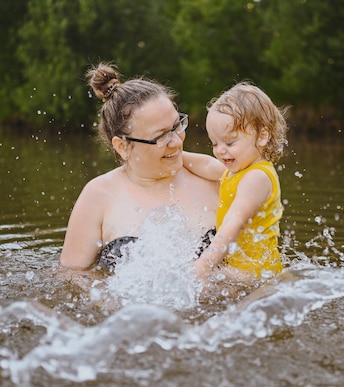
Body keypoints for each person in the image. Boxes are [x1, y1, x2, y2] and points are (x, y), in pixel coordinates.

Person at [59, 62, 219, 274]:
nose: (177, 142)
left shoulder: (212, 177)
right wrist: (104, 301)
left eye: (177, 126)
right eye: (161, 136)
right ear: (123, 146)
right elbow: (71, 276)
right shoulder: (98, 196)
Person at [184, 81, 288, 280]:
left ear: (262, 136)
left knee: (194, 290)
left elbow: (234, 222)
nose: (220, 150)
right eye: (214, 143)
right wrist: (176, 156)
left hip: (255, 273)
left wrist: (204, 265)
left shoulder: (257, 177)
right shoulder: (237, 170)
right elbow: (206, 165)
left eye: (230, 142)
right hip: (239, 268)